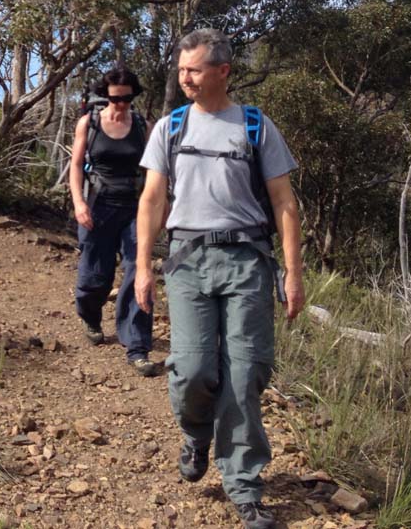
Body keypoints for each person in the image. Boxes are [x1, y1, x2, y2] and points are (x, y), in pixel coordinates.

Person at [134, 28, 305, 529]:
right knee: (190, 370)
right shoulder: (170, 126)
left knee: (244, 374)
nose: (184, 78)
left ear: (223, 72)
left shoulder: (255, 126)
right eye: (181, 69)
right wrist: (142, 267)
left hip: (247, 262)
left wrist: (293, 274)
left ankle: (244, 485)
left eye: (194, 70)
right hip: (187, 262)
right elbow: (151, 201)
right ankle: (196, 431)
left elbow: (284, 203)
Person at [68, 66, 159, 376]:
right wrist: (79, 203)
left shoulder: (143, 126)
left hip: (135, 208)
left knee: (138, 271)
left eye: (127, 98)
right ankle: (90, 315)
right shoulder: (89, 123)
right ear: (105, 96)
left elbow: (155, 172)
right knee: (95, 276)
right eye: (115, 98)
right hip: (98, 205)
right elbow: (77, 165)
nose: (121, 104)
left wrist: (161, 207)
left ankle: (137, 346)